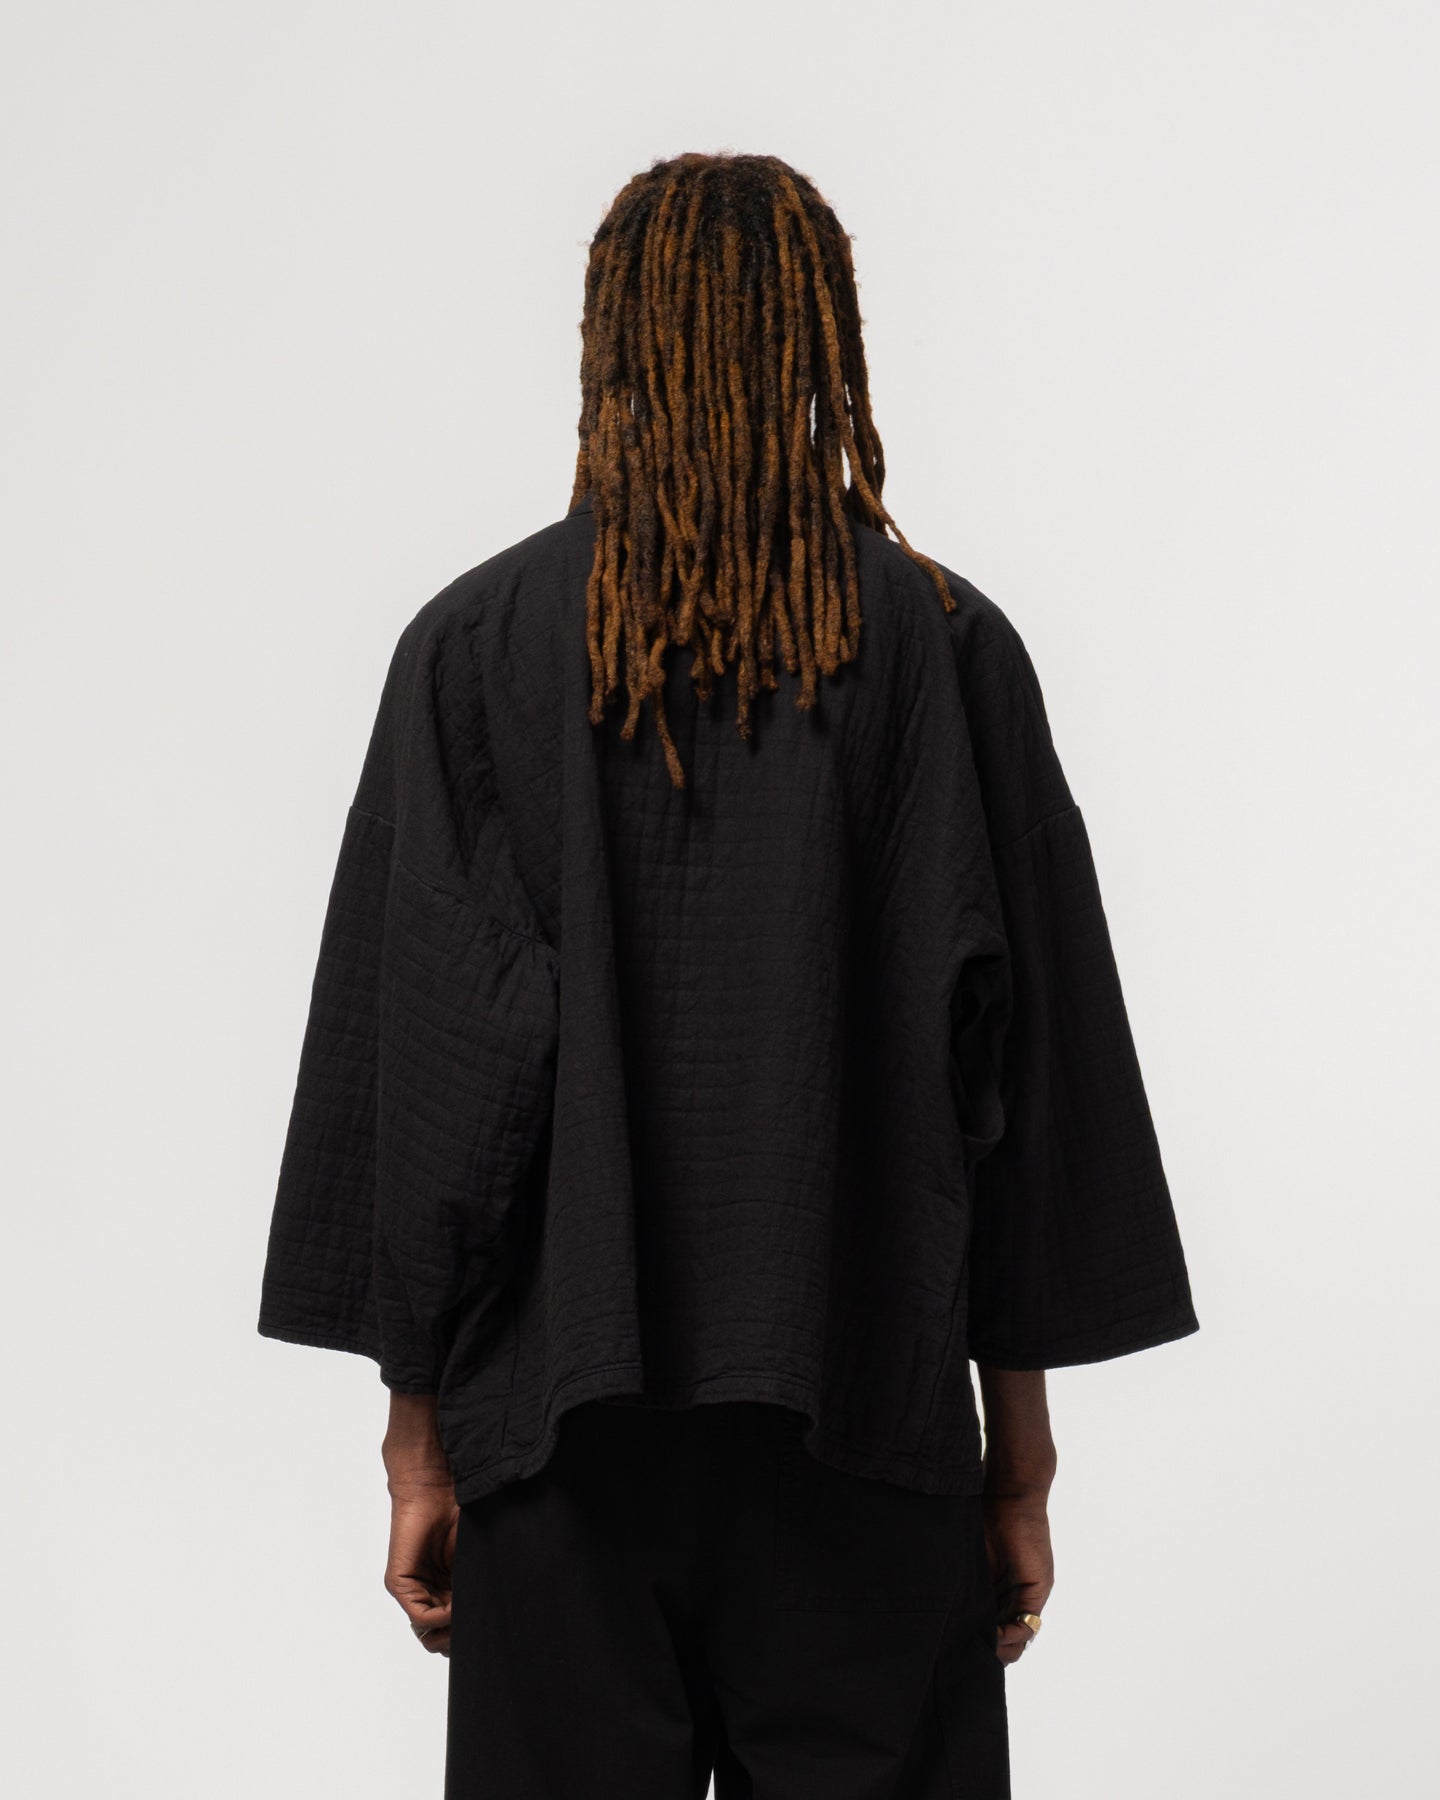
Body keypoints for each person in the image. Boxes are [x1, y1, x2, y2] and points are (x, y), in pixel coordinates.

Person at [257, 150, 1200, 1799]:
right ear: (823, 344)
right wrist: (1021, 1459)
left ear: (614, 343)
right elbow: (1024, 1088)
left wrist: (416, 1444)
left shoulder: (477, 647)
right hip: (869, 1423)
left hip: (563, 1436)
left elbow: (427, 1085)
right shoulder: (942, 645)